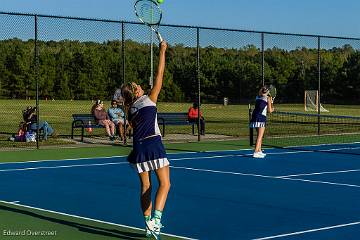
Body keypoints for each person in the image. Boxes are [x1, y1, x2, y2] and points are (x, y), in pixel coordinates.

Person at [121, 41, 169, 240]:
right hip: (153, 144)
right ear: (137, 92)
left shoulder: (130, 109)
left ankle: (148, 224)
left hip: (139, 148)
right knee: (165, 184)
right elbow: (160, 75)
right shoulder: (150, 99)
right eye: (136, 86)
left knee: (146, 186)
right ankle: (156, 221)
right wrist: (162, 51)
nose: (139, 85)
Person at [249, 86, 274, 158]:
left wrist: (270, 101)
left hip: (254, 117)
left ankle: (259, 151)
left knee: (259, 135)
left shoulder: (257, 97)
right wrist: (273, 108)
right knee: (260, 136)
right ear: (268, 92)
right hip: (261, 118)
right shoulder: (268, 98)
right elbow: (269, 110)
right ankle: (256, 152)